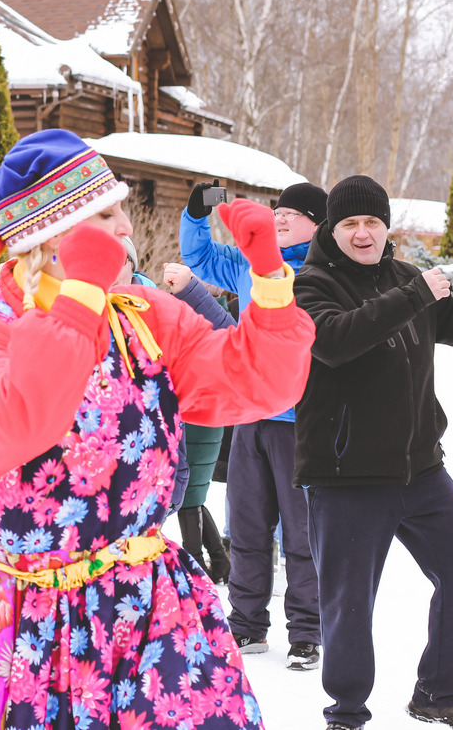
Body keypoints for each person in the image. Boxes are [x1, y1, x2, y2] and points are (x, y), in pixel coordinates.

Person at [0, 129, 315, 730]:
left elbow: (257, 385)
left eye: (123, 209)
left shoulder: (143, 319)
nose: (127, 226)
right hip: (17, 623)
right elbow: (16, 426)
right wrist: (76, 299)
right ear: (52, 236)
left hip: (141, 614)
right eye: (108, 213)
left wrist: (272, 283)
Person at [293, 175, 453, 730]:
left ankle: (441, 693)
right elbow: (334, 342)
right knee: (350, 602)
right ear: (333, 230)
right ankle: (348, 712)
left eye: (373, 222)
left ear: (387, 227)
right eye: (350, 224)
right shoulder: (308, 285)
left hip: (420, 468)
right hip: (347, 474)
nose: (363, 233)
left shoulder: (407, 275)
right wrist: (413, 296)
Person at [180, 178, 327, 670]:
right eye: (278, 210)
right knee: (245, 525)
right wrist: (197, 214)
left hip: (300, 420)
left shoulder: (322, 272)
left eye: (296, 213)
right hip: (249, 414)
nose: (281, 217)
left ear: (319, 224)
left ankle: (307, 631)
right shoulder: (248, 264)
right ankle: (245, 626)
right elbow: (200, 259)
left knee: (302, 532)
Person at [162, 261, 234, 584]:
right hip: (209, 415)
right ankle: (218, 562)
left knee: (190, 494)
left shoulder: (190, 316)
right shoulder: (218, 316)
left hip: (194, 415)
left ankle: (196, 566)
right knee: (195, 494)